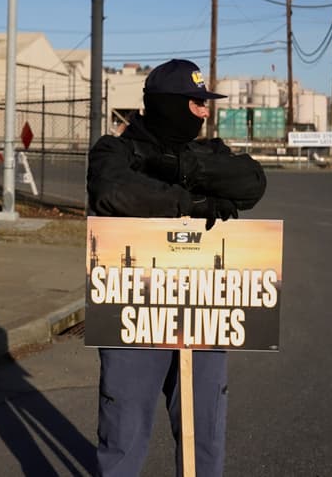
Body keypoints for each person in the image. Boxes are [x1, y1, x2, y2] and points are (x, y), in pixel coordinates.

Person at [87, 59, 266, 477]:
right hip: (134, 313)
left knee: (204, 427)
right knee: (123, 431)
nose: (205, 111)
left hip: (204, 311)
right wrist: (191, 203)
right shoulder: (115, 151)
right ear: (168, 104)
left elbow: (252, 183)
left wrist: (186, 168)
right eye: (196, 102)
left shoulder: (208, 153)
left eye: (205, 103)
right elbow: (116, 191)